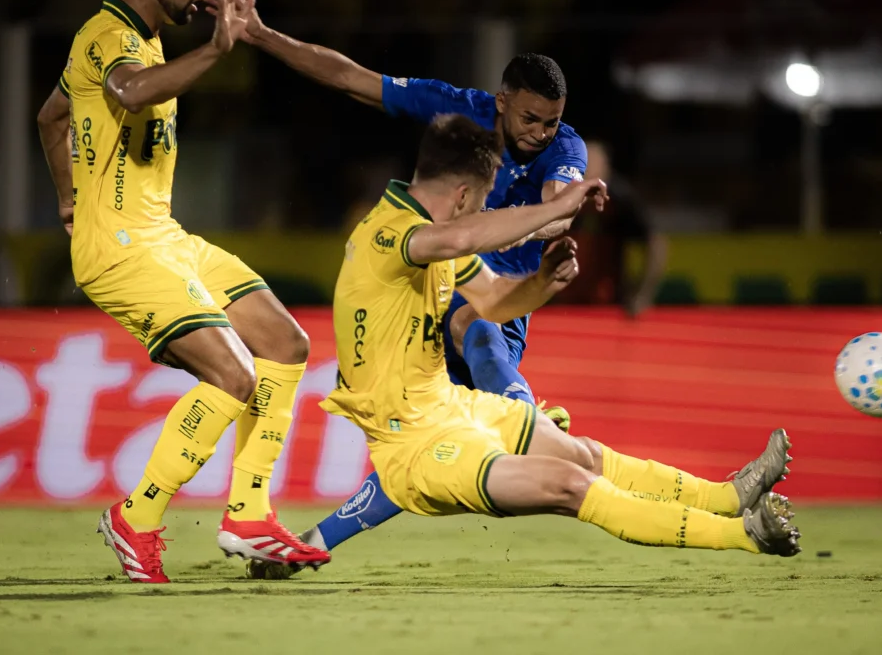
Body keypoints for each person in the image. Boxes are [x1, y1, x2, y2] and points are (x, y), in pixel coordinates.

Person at [274, 114, 800, 574]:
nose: (480, 211)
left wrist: (542, 281)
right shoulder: (390, 235)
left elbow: (495, 299)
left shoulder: (429, 234)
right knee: (568, 485)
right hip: (416, 447)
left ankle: (728, 497)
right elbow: (460, 238)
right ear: (463, 195)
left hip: (454, 406)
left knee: (584, 455)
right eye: (481, 202)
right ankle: (745, 534)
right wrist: (560, 205)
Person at [203, 0, 587, 557]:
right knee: (434, 411)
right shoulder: (458, 110)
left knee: (448, 393)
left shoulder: (564, 148)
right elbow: (349, 77)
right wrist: (260, 35)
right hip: (437, 291)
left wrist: (538, 222)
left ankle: (520, 418)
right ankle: (524, 418)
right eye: (531, 118)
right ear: (502, 101)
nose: (542, 133)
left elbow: (561, 210)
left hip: (502, 299)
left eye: (552, 122)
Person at [35, 0, 330, 583]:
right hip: (121, 250)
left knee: (285, 344)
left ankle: (250, 515)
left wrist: (66, 196)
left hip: (163, 237)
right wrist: (220, 51)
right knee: (234, 377)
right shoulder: (108, 36)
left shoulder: (145, 36)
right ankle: (135, 518)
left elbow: (51, 115)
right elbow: (131, 93)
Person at [550, 139, 667, 315]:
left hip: (608, 309)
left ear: (606, 168)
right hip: (559, 307)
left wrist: (642, 295)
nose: (586, 170)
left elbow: (656, 245)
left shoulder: (621, 201)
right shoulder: (555, 196)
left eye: (593, 164)